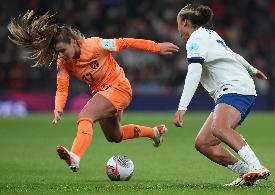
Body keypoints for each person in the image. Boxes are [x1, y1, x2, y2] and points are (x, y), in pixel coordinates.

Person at [8, 10, 179, 172]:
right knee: (114, 136)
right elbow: (62, 87)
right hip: (103, 93)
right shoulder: (63, 62)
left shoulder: (95, 44)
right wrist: (58, 108)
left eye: (62, 50)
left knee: (85, 116)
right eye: (58, 52)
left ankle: (75, 156)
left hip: (119, 87)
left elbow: (125, 42)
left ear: (74, 42)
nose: (61, 55)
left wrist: (156, 47)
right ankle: (154, 133)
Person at [173, 4, 270, 186]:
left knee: (220, 128)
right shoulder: (210, 34)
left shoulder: (194, 40)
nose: (177, 28)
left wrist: (182, 107)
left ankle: (257, 167)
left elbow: (194, 73)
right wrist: (253, 69)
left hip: (235, 88)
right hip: (237, 88)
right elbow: (233, 55)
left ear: (185, 22)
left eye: (177, 23)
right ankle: (247, 174)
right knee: (203, 143)